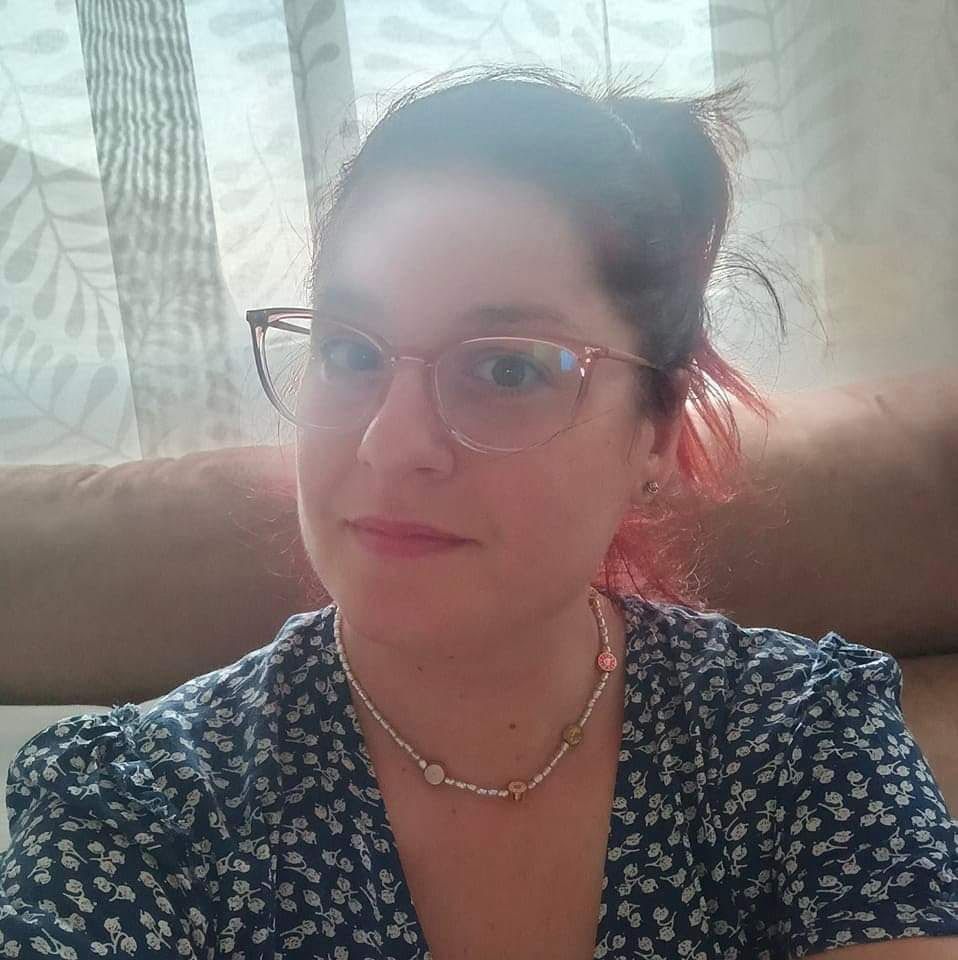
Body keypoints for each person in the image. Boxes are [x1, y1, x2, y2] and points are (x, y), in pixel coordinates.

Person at [2, 65, 957, 960]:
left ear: (658, 431)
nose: (388, 444)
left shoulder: (804, 745)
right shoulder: (137, 808)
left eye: (507, 368)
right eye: (349, 350)